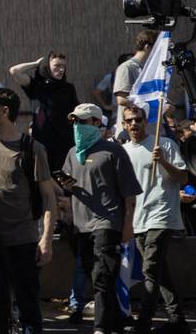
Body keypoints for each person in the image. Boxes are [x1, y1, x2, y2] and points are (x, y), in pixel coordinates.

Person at [0, 88, 56, 333]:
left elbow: (49, 199)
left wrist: (46, 240)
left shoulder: (32, 148)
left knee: (28, 309)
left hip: (22, 242)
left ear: (5, 110)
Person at [61, 103, 142, 334]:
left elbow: (129, 193)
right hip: (80, 224)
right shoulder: (72, 153)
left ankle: (101, 327)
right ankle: (117, 321)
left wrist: (128, 225)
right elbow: (69, 188)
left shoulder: (113, 151)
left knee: (102, 276)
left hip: (108, 221)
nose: (77, 126)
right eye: (75, 121)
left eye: (83, 121)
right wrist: (65, 189)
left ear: (97, 123)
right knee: (92, 273)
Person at [119, 106, 190, 333]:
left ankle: (144, 322)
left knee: (150, 269)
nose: (134, 124)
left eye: (138, 119)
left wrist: (163, 162)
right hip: (138, 218)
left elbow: (183, 177)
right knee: (158, 270)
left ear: (145, 121)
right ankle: (177, 320)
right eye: (129, 121)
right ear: (123, 125)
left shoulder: (166, 145)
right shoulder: (124, 151)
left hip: (161, 215)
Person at [9, 52, 80, 171]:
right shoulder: (36, 86)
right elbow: (14, 71)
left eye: (63, 66)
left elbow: (76, 111)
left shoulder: (68, 88)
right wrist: (36, 64)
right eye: (57, 65)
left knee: (65, 180)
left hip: (65, 143)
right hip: (42, 143)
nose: (61, 69)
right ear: (47, 67)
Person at [113, 30, 160, 139]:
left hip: (147, 133)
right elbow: (121, 100)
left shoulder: (147, 69)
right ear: (147, 46)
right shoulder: (127, 67)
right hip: (129, 134)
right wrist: (153, 104)